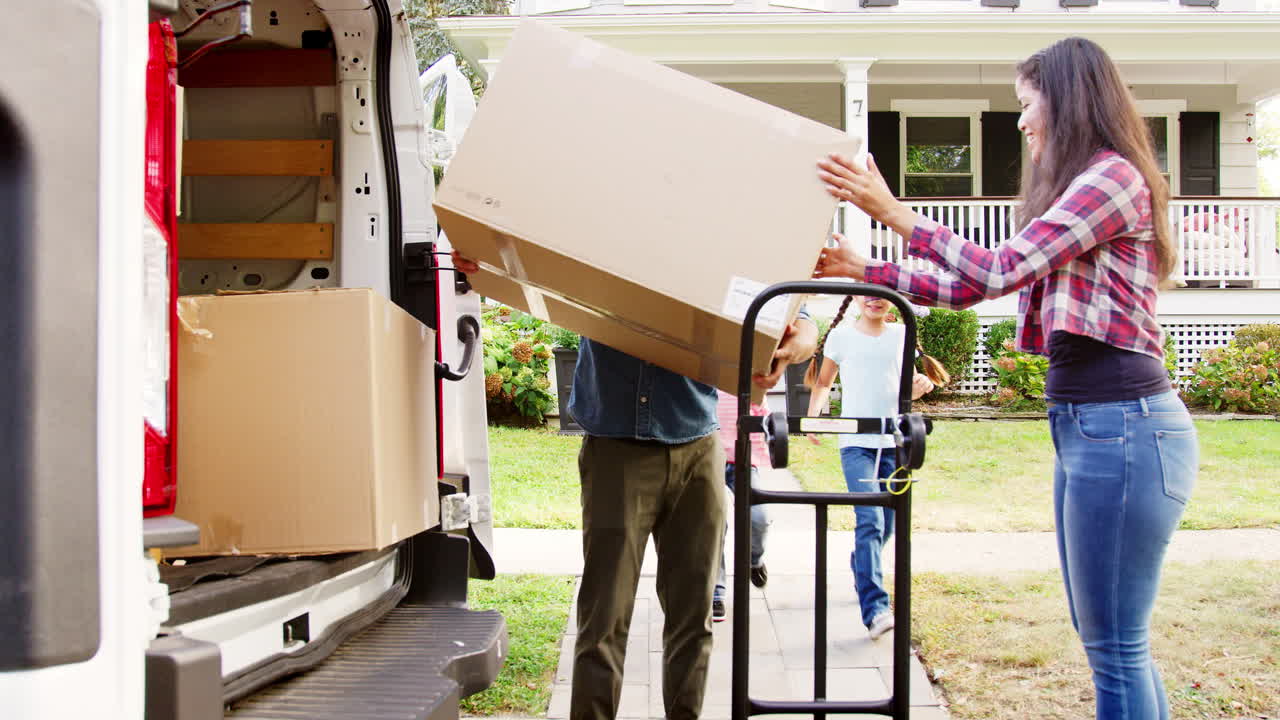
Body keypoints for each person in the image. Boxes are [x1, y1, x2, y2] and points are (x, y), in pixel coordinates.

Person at [813, 36, 1198, 720]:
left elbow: (994, 269)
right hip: (1093, 426)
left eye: (1027, 104)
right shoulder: (1080, 189)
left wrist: (893, 213)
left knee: (1114, 645)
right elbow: (970, 290)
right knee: (1109, 640)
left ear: (1070, 101)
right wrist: (865, 272)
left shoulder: (1112, 179)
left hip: (1124, 427)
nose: (1020, 122)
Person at [451, 249, 817, 720]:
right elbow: (530, 257)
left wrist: (801, 336)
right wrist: (488, 264)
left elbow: (794, 302)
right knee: (604, 619)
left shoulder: (715, 228)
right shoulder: (603, 225)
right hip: (616, 448)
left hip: (696, 446)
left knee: (693, 617)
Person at [802, 296, 944, 639]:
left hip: (894, 444)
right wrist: (813, 419)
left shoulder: (900, 335)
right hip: (856, 445)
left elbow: (903, 387)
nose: (875, 300)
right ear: (856, 299)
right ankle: (876, 608)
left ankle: (861, 567)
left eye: (883, 294)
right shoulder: (841, 337)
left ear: (894, 303)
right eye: (868, 293)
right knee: (871, 520)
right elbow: (822, 383)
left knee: (888, 526)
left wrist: (920, 387)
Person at [712, 389, 772, 623]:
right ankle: (716, 591)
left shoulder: (747, 378)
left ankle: (754, 560)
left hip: (744, 459)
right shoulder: (704, 374)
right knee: (714, 522)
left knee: (758, 517)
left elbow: (764, 416)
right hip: (710, 456)